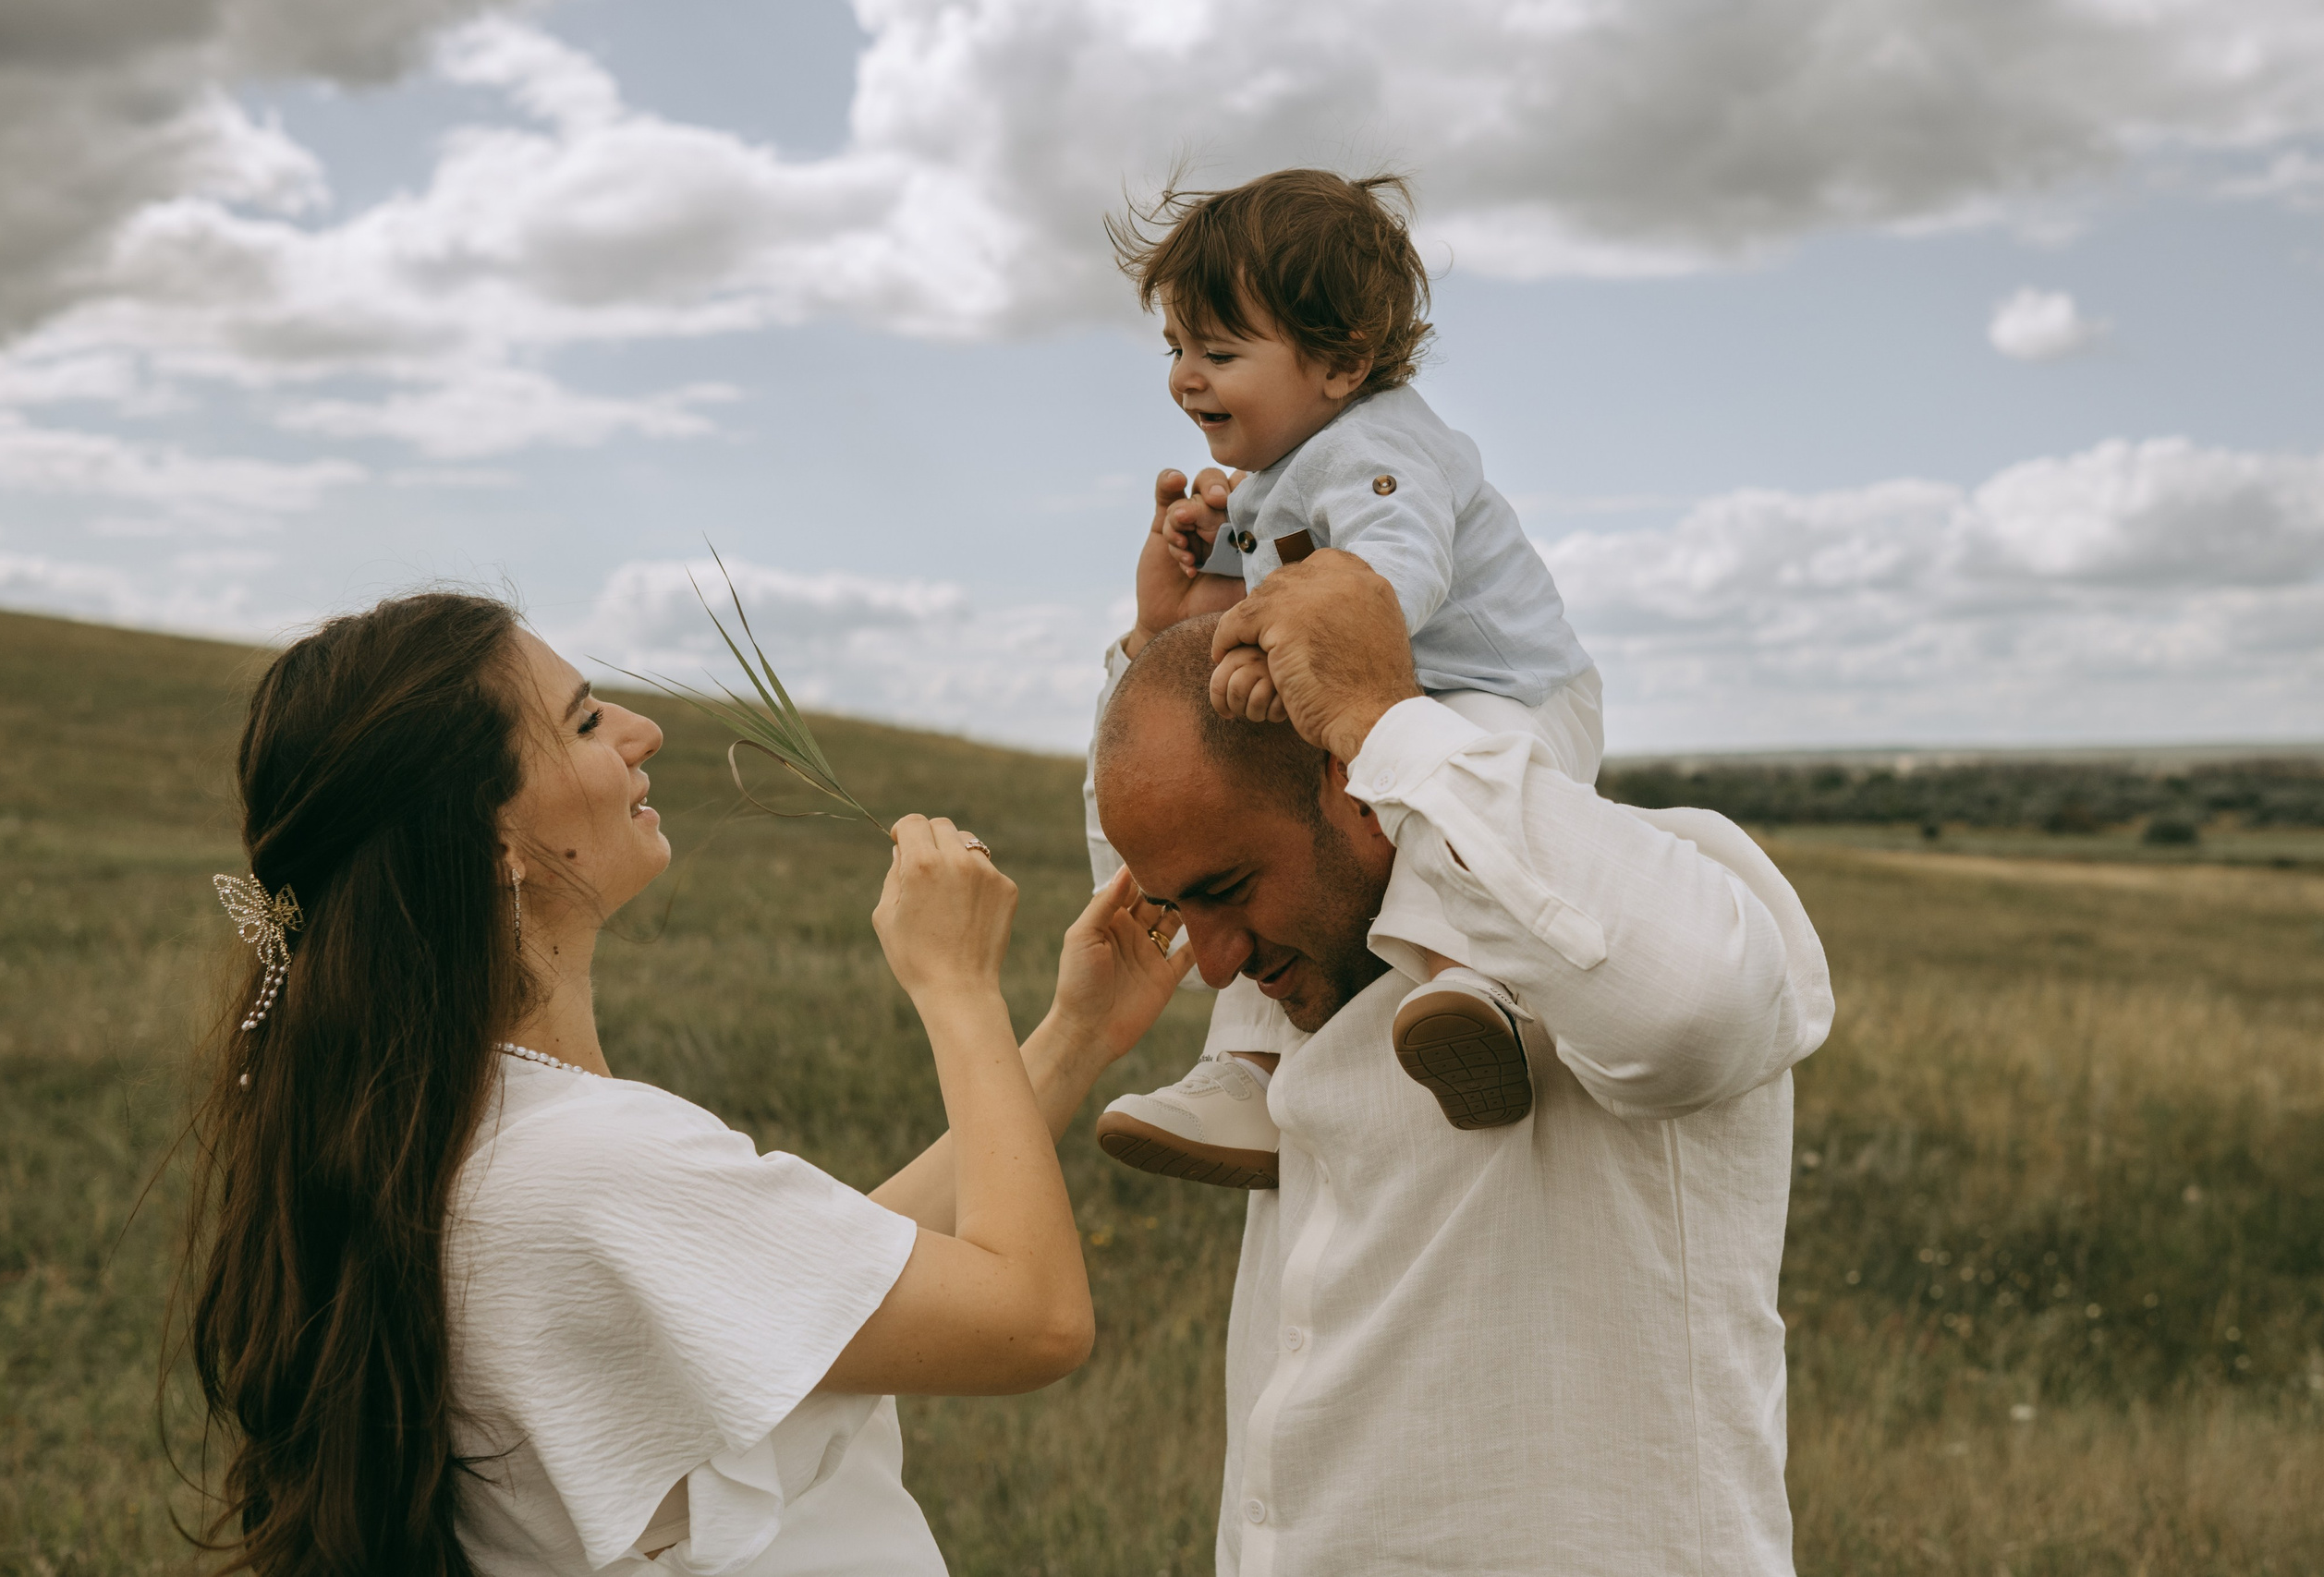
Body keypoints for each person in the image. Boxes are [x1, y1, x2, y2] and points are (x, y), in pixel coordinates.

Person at [181, 591, 1188, 1575]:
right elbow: (1034, 1320)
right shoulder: (585, 1160)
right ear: (493, 842)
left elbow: (806, 1278)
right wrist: (957, 987)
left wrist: (1073, 1039)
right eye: (584, 721)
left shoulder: (472, 1131)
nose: (643, 731)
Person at [1090, 552, 1834, 1574]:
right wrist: (1159, 652)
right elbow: (1187, 844)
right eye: (1180, 907)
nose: (1212, 961)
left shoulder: (1633, 895)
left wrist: (1383, 716)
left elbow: (1692, 1012)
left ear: (1353, 781)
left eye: (1227, 891)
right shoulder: (1306, 977)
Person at [1092, 168, 1602, 1189]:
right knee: (1266, 843)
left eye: (1219, 353)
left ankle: (1477, 992)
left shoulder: (1377, 447)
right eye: (1177, 349)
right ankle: (1250, 1071)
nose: (1185, 379)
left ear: (1340, 362)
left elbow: (1392, 574)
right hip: (1393, 695)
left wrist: (1284, 647)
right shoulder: (1275, 477)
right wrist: (1198, 593)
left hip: (1506, 691)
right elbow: (1267, 589)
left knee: (1454, 797)